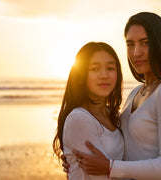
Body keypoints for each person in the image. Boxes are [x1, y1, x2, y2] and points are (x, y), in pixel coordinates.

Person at [64, 12, 161, 180]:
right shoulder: (136, 93)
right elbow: (123, 148)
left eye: (145, 43)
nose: (136, 52)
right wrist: (76, 161)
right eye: (130, 44)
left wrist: (109, 167)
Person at [52, 42, 124, 180]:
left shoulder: (115, 116)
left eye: (110, 68)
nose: (104, 75)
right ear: (81, 75)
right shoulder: (79, 119)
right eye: (95, 69)